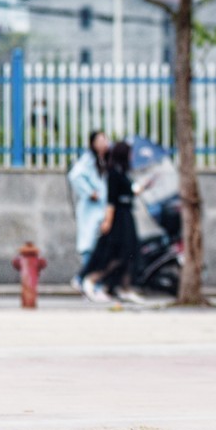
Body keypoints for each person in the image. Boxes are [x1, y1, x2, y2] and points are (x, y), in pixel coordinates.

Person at [77, 140, 143, 305]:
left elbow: (128, 193)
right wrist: (107, 221)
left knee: (130, 254)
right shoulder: (113, 173)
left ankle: (123, 287)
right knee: (115, 254)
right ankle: (91, 281)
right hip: (119, 219)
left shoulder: (124, 172)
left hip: (127, 217)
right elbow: (111, 201)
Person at [67, 130, 110, 292]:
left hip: (101, 209)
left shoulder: (103, 160)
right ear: (93, 143)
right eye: (100, 140)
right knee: (89, 245)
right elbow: (75, 176)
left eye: (105, 139)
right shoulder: (88, 160)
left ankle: (87, 280)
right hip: (90, 210)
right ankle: (85, 280)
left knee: (99, 245)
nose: (104, 143)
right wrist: (90, 192)